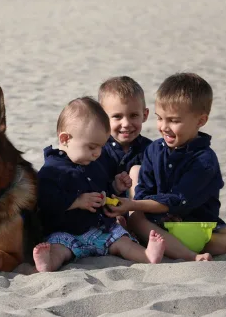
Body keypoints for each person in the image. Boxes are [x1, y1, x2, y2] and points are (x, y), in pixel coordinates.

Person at [108, 73, 226, 261]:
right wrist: (143, 207)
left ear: (200, 121)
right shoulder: (154, 150)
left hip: (195, 228)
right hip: (158, 226)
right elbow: (144, 190)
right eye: (160, 118)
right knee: (137, 218)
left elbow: (180, 199)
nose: (164, 127)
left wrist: (136, 204)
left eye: (174, 121)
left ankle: (166, 245)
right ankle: (188, 254)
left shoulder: (204, 160)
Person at [33, 97, 166, 272]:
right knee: (58, 248)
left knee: (122, 241)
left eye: (101, 147)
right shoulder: (53, 170)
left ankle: (147, 256)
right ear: (65, 139)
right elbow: (45, 201)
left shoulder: (94, 164)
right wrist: (76, 201)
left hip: (100, 231)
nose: (97, 153)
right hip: (67, 233)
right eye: (91, 147)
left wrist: (115, 188)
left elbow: (101, 190)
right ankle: (48, 263)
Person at [96, 76, 152, 201]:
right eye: (117, 116)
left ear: (145, 115)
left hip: (141, 213)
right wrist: (114, 187)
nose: (126, 123)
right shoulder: (96, 151)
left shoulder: (152, 151)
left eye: (133, 115)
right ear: (102, 118)